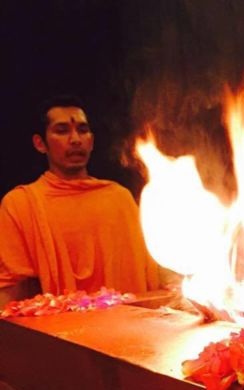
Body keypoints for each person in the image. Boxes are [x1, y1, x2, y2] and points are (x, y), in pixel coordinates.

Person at [0, 95, 171, 308]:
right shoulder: (21, 204)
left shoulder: (119, 198)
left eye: (83, 130)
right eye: (62, 130)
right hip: (59, 327)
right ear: (40, 143)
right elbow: (10, 290)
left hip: (132, 323)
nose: (75, 139)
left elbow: (157, 271)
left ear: (92, 141)